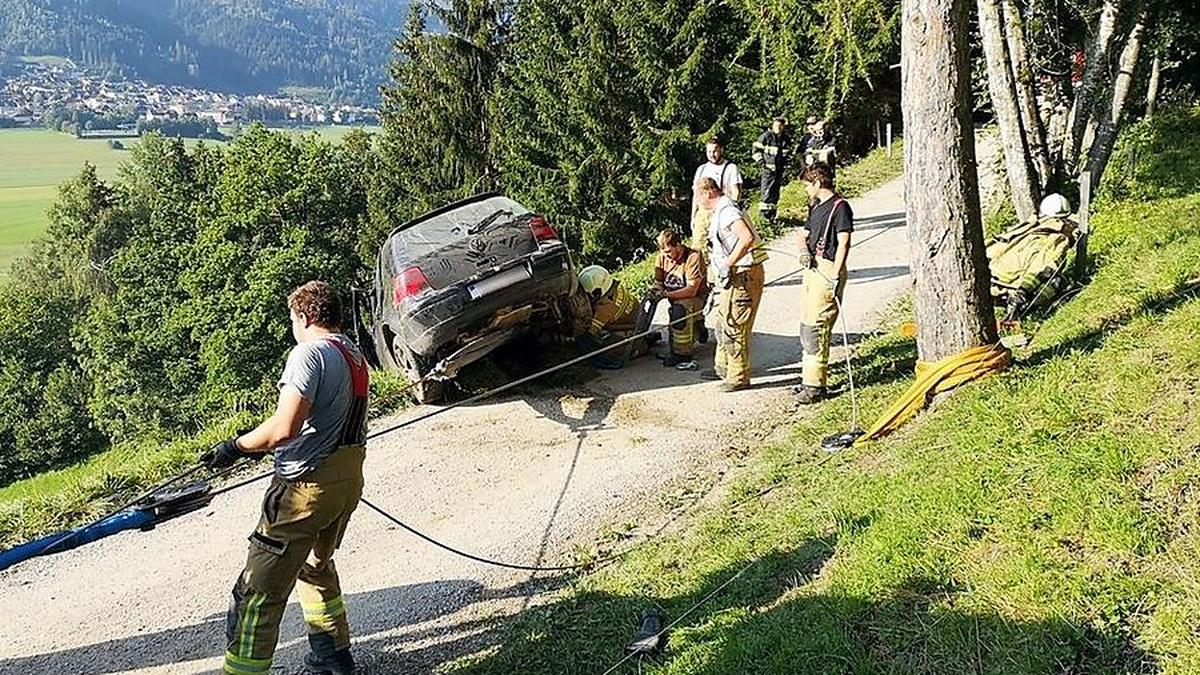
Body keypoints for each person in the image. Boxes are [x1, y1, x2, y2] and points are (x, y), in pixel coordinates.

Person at [202, 281, 369, 675]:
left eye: (293, 318)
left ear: (305, 316)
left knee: (259, 591)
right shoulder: (352, 353)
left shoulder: (309, 354)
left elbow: (284, 429)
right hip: (344, 481)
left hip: (304, 489)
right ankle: (333, 657)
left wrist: (234, 447)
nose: (293, 326)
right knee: (315, 566)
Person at [696, 177, 766, 392]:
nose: (696, 200)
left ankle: (738, 377)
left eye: (697, 195)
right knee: (723, 322)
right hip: (732, 277)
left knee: (736, 325)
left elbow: (746, 238)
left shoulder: (727, 211)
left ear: (708, 192)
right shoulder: (720, 212)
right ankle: (723, 368)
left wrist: (728, 263)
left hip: (743, 275)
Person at [795, 162, 852, 404]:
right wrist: (803, 251)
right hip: (812, 268)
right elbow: (803, 235)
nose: (807, 190)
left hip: (827, 270)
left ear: (818, 183)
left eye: (808, 185)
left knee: (817, 328)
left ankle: (816, 386)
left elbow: (844, 242)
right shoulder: (816, 207)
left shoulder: (840, 207)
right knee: (807, 327)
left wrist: (835, 275)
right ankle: (808, 379)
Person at [986, 192, 1079, 320]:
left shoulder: (1027, 227)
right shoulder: (1057, 237)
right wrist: (1023, 291)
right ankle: (1026, 314)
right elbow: (1045, 267)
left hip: (988, 278)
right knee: (1058, 281)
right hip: (1009, 286)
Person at [577, 264, 655, 369]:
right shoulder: (614, 287)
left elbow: (589, 332)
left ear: (596, 293)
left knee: (602, 345)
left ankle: (639, 348)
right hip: (638, 319)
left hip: (633, 331)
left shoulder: (604, 309)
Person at [652, 229, 709, 368]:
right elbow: (658, 282)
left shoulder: (693, 257)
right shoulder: (662, 257)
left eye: (669, 252)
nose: (667, 256)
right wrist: (657, 290)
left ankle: (682, 354)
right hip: (675, 298)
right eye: (664, 253)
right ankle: (698, 327)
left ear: (677, 245)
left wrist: (666, 295)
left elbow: (691, 290)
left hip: (696, 298)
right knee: (677, 314)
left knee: (679, 311)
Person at [691, 138, 744, 260]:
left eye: (714, 151)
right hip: (703, 213)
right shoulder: (701, 169)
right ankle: (701, 274)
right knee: (698, 246)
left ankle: (725, 271)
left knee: (721, 245)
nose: (712, 155)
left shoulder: (731, 168)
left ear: (721, 150)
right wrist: (693, 216)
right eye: (709, 152)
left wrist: (731, 209)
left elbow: (736, 191)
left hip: (720, 211)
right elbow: (696, 195)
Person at [752, 117, 793, 226]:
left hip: (779, 171)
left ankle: (772, 217)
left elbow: (788, 154)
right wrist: (762, 163)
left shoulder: (785, 139)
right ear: (773, 125)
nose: (778, 128)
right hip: (768, 170)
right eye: (776, 126)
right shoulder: (766, 137)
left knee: (775, 194)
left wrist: (787, 165)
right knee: (766, 193)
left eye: (780, 126)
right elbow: (755, 150)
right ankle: (764, 218)